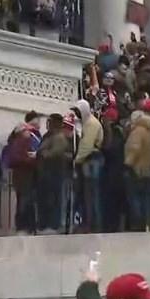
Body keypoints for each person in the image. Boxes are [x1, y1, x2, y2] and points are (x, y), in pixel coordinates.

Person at [73, 99, 105, 233]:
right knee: (88, 194)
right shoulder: (86, 123)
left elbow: (87, 145)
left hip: (91, 159)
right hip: (89, 159)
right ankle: (89, 222)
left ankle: (93, 225)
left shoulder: (91, 124)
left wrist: (77, 160)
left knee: (91, 194)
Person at [8, 111, 42, 234]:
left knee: (29, 202)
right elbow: (16, 157)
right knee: (24, 201)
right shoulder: (21, 139)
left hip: (30, 175)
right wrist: (32, 159)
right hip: (23, 176)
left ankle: (30, 227)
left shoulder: (33, 137)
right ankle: (23, 227)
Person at [37, 113, 72, 234]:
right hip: (46, 173)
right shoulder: (48, 136)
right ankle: (45, 224)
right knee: (47, 199)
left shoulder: (59, 137)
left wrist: (45, 153)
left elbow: (53, 153)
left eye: (50, 122)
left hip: (54, 172)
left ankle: (53, 225)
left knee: (54, 199)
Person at [125, 109, 150, 232]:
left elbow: (134, 148)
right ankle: (145, 222)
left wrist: (128, 163)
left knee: (135, 198)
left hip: (136, 169)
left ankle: (138, 224)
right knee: (145, 199)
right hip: (146, 168)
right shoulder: (149, 131)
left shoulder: (137, 131)